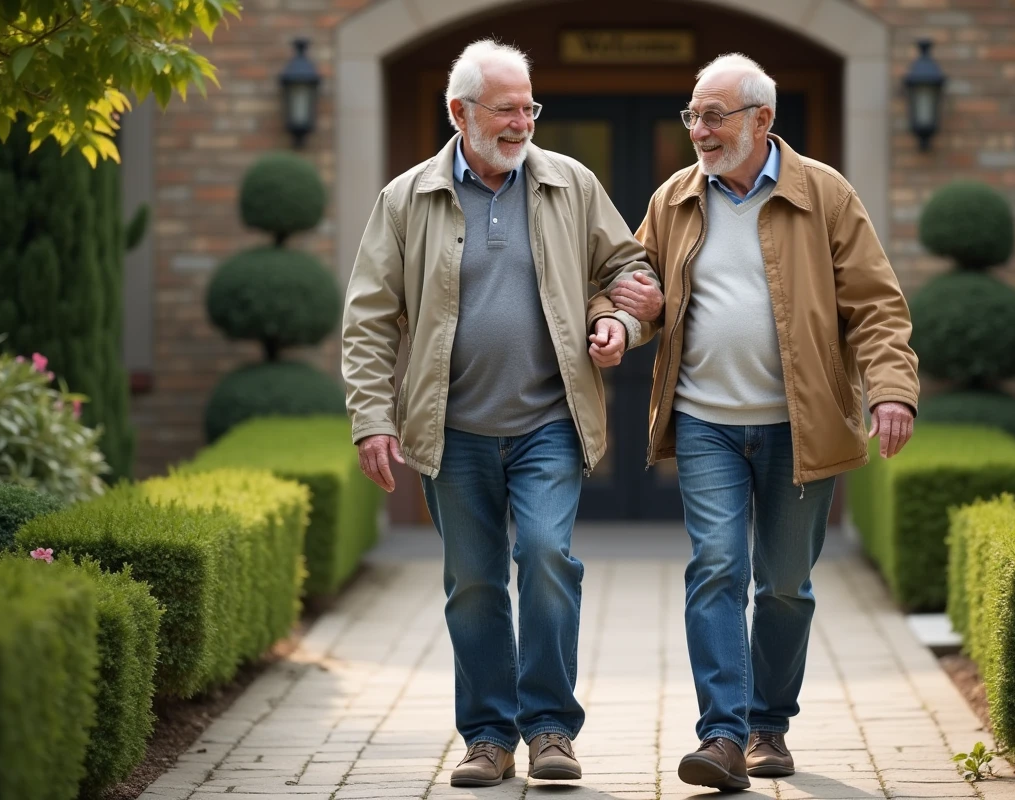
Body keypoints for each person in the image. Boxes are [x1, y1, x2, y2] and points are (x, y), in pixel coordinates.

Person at [340, 39, 655, 788]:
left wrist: (621, 321)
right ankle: (487, 736)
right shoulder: (406, 198)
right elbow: (369, 318)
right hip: (451, 431)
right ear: (460, 112)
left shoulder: (570, 184)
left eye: (530, 108)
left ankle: (549, 728)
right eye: (506, 109)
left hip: (549, 421)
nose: (522, 123)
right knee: (474, 584)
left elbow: (629, 269)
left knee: (546, 557)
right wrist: (372, 418)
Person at [610, 53, 919, 790]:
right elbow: (633, 284)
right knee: (717, 567)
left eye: (714, 116)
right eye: (692, 115)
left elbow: (876, 305)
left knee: (784, 584)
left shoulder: (825, 195)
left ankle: (767, 725)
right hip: (705, 420)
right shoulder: (674, 199)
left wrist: (891, 390)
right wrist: (629, 317)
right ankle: (721, 736)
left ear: (762, 119)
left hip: (799, 425)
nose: (699, 130)